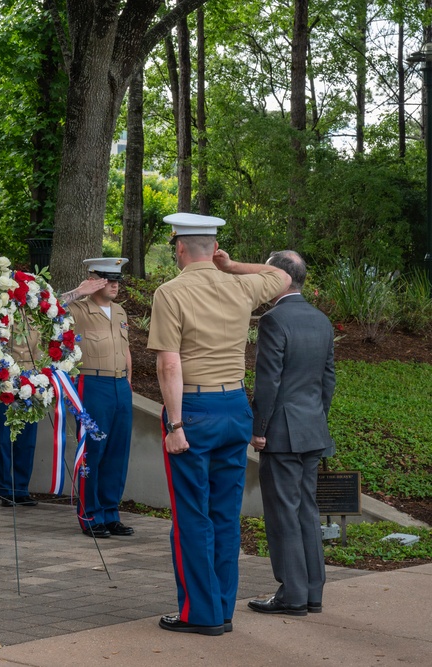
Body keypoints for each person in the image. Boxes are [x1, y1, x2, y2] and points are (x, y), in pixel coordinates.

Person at [148, 212, 290, 636]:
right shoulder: (241, 284)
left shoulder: (170, 292)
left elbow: (169, 364)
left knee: (193, 515)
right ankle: (222, 609)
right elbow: (281, 276)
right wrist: (231, 267)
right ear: (213, 248)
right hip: (234, 408)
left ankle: (201, 614)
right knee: (226, 515)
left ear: (179, 248)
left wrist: (175, 427)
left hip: (193, 409)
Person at [248, 250, 335, 617]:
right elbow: (327, 380)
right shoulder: (321, 320)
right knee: (306, 511)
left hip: (281, 433)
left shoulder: (273, 320)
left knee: (283, 513)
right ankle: (313, 591)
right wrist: (315, 418)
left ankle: (292, 594)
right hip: (312, 429)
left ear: (280, 279)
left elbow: (268, 381)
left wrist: (259, 428)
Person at [61, 257, 133, 538]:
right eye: (107, 279)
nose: (115, 284)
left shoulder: (120, 312)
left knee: (117, 452)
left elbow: (125, 348)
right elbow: (44, 310)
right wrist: (79, 291)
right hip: (92, 383)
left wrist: (128, 379)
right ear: (94, 279)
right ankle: (90, 515)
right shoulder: (77, 309)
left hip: (120, 387)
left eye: (116, 280)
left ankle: (110, 513)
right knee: (93, 451)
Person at [0, 328, 41, 507]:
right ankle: (5, 490)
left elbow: (38, 353)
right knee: (3, 440)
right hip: (5, 384)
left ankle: (21, 490)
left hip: (30, 386)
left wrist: (38, 381)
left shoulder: (35, 320)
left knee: (27, 440)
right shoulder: (2, 315)